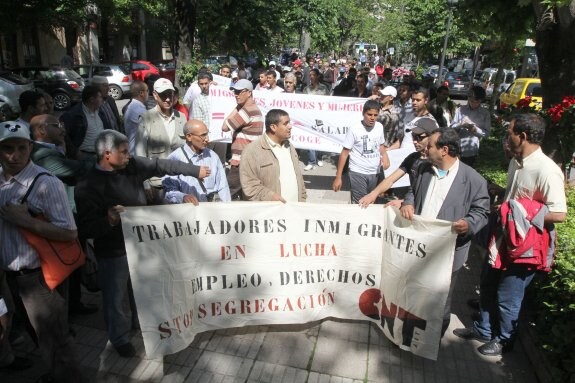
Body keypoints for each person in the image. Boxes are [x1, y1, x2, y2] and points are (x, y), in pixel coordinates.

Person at [74, 130, 210, 358]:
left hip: (141, 245)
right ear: (107, 154)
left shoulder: (132, 166)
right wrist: (108, 219)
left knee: (141, 290)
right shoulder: (87, 186)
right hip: (113, 251)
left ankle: (141, 324)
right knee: (116, 297)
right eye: (124, 152)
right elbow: (86, 229)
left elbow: (161, 166)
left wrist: (195, 171)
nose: (129, 156)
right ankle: (119, 338)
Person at [453, 113, 567, 356]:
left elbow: (558, 213)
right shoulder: (517, 161)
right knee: (487, 281)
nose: (507, 138)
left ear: (522, 136)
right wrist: (504, 195)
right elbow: (517, 199)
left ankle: (505, 340)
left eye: (510, 133)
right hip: (503, 237)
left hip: (526, 246)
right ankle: (483, 328)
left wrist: (519, 212)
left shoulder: (547, 169)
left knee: (509, 295)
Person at [0, 121, 83, 381]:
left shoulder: (47, 183)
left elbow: (70, 233)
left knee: (56, 341)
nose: (14, 155)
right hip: (9, 275)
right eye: (7, 148)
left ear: (31, 147)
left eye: (21, 148)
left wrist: (26, 221)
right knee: (36, 334)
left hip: (40, 277)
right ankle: (55, 373)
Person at [400, 128, 490, 336]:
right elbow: (412, 190)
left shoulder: (474, 180)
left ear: (444, 150)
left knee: (440, 300)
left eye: (430, 145)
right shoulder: (422, 169)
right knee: (412, 293)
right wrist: (408, 203)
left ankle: (431, 342)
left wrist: (468, 224)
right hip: (419, 247)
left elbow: (481, 212)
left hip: (449, 254)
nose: (425, 147)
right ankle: (406, 334)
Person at [358, 118, 437, 207]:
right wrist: (373, 194)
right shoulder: (412, 158)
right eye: (413, 136)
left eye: (419, 137)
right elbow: (391, 179)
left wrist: (404, 202)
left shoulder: (439, 162)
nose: (414, 141)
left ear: (433, 137)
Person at [135, 78, 186, 204]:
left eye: (170, 94)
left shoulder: (181, 117)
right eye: (163, 95)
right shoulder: (146, 119)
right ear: (155, 95)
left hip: (179, 181)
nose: (168, 99)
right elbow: (140, 155)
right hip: (157, 184)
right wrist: (145, 184)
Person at [240, 109, 306, 202]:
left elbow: (299, 178)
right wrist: (271, 197)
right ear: (273, 127)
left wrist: (302, 200)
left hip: (294, 211)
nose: (290, 126)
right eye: (285, 123)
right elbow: (249, 186)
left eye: (289, 123)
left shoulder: (290, 147)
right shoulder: (252, 151)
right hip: (270, 213)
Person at [332, 100, 390, 203]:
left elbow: (381, 145)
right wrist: (338, 177)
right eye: (369, 114)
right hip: (357, 172)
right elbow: (344, 154)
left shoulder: (379, 127)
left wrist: (385, 156)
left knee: (371, 200)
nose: (372, 118)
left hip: (374, 172)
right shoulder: (354, 129)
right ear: (363, 113)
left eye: (375, 115)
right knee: (360, 203)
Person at [163, 119, 231, 204]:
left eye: (207, 134)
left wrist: (226, 209)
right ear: (189, 137)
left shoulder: (213, 156)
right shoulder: (175, 158)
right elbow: (169, 191)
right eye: (203, 135)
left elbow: (223, 188)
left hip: (212, 212)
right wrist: (183, 197)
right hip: (188, 213)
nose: (207, 139)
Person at [221, 79, 264, 200]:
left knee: (226, 195)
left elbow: (224, 127)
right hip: (250, 160)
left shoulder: (246, 111)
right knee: (246, 196)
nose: (236, 94)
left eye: (240, 92)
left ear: (249, 93)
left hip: (241, 161)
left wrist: (237, 107)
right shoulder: (254, 109)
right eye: (235, 91)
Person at [60, 85, 106, 160]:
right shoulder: (72, 115)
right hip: (84, 156)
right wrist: (75, 152)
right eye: (99, 97)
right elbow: (64, 135)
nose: (102, 99)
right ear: (92, 99)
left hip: (101, 154)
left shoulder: (100, 112)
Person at [449, 85, 491, 167]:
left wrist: (476, 130)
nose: (474, 103)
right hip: (457, 147)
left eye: (477, 101)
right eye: (471, 101)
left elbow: (487, 133)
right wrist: (461, 125)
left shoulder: (485, 114)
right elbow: (451, 127)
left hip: (471, 150)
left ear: (481, 100)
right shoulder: (460, 110)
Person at [303, 68, 330, 171]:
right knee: (310, 137)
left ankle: (319, 157)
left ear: (318, 76)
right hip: (309, 117)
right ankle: (311, 161)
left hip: (320, 117)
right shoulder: (306, 89)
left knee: (319, 137)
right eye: (310, 75)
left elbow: (328, 103)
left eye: (313, 75)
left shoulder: (324, 89)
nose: (311, 77)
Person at [123, 80, 149, 155]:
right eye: (147, 91)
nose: (148, 93)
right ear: (141, 93)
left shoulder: (134, 106)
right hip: (136, 153)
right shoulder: (138, 110)